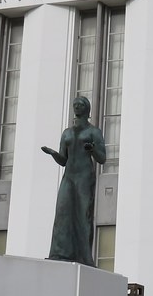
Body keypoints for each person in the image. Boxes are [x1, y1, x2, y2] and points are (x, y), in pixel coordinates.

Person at [41, 96, 106, 266]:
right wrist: (53, 154)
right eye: (75, 104)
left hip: (84, 177)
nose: (77, 106)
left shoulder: (93, 132)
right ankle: (60, 253)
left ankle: (85, 256)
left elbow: (102, 158)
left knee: (84, 215)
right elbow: (63, 160)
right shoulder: (67, 133)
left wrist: (92, 149)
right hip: (69, 176)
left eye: (81, 104)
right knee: (63, 212)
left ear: (87, 109)